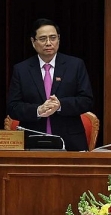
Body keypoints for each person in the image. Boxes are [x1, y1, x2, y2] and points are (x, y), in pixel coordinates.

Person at [7, 18, 94, 151]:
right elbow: (13, 107)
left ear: (58, 39)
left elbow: (87, 100)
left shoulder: (75, 65)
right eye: (42, 39)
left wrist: (60, 105)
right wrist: (38, 110)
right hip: (32, 142)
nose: (48, 43)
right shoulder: (21, 70)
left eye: (53, 38)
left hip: (70, 142)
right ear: (33, 42)